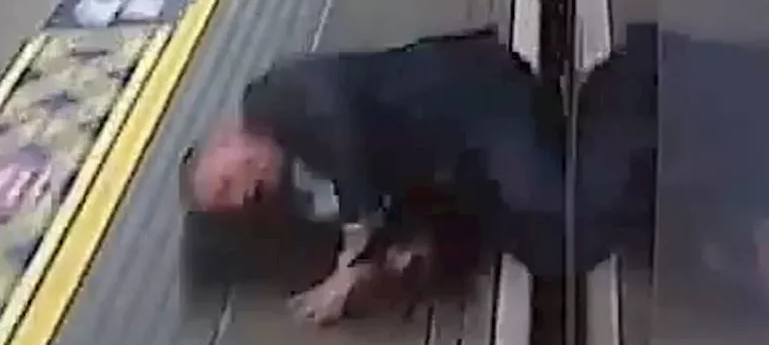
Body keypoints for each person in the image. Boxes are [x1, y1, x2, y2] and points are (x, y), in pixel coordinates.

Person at [185, 27, 654, 325]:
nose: (246, 193)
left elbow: (338, 119)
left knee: (556, 214)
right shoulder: (298, 183)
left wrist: (356, 245)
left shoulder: (274, 98)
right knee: (550, 252)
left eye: (228, 182)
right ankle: (605, 132)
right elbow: (388, 179)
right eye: (236, 201)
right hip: (461, 159)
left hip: (478, 97)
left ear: (229, 139)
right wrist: (403, 244)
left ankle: (632, 79)